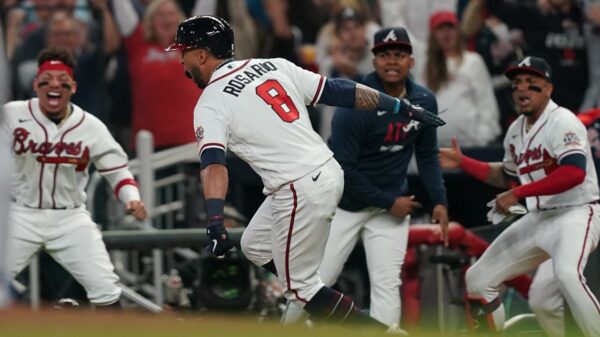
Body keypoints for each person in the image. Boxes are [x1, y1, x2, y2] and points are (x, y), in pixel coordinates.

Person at [166, 15, 444, 329]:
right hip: (326, 171)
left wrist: (215, 219)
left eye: (183, 52)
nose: (181, 61)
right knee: (254, 245)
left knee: (299, 289)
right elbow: (339, 91)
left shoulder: (210, 102)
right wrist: (397, 105)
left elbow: (214, 164)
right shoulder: (272, 65)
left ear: (201, 54)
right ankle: (326, 299)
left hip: (297, 186)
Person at [282, 27, 449, 330]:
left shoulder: (424, 99)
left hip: (389, 206)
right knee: (315, 281)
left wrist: (439, 200)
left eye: (399, 55)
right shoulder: (356, 103)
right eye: (384, 55)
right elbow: (343, 168)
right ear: (374, 61)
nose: (392, 62)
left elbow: (426, 154)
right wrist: (389, 202)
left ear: (411, 60)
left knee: (387, 283)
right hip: (344, 205)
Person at [439, 55, 600, 336]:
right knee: (482, 280)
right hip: (539, 218)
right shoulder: (515, 131)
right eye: (516, 84)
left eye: (531, 83)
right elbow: (507, 176)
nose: (522, 89)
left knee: (566, 275)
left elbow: (573, 172)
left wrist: (519, 193)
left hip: (577, 212)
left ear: (548, 88)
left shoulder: (563, 121)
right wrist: (464, 162)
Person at [2, 46, 147, 309]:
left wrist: (132, 198)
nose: (53, 86)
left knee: (106, 289)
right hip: (20, 215)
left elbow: (117, 170)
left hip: (69, 218)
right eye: (46, 81)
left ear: (73, 88)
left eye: (62, 82)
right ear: (36, 85)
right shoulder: (12, 115)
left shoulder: (90, 126)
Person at [424, 10, 501, 147]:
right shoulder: (424, 66)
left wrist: (483, 137)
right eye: (441, 29)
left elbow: (487, 103)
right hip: (434, 148)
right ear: (433, 34)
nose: (447, 33)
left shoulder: (473, 61)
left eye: (451, 28)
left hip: (470, 146)